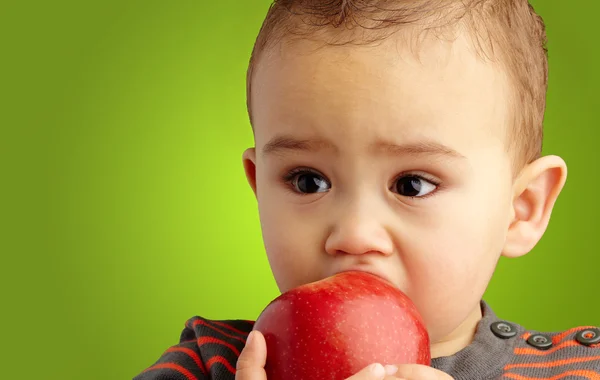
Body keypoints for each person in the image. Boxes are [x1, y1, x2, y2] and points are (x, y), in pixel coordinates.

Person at [133, 1, 600, 379]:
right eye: (307, 180)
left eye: (411, 185)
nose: (354, 234)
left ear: (520, 209)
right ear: (259, 189)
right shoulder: (210, 365)